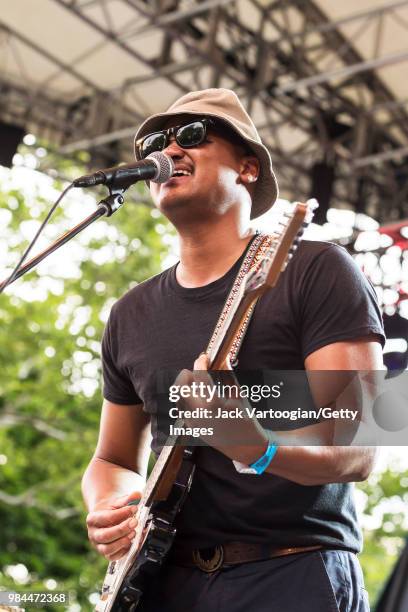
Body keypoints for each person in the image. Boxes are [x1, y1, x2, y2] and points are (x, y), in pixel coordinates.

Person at [82, 88, 385, 611]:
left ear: (247, 169)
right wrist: (112, 502)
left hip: (291, 572)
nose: (169, 150)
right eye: (157, 141)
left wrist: (256, 445)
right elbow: (111, 457)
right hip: (163, 580)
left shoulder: (314, 270)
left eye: (193, 136)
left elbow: (357, 445)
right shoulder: (130, 313)